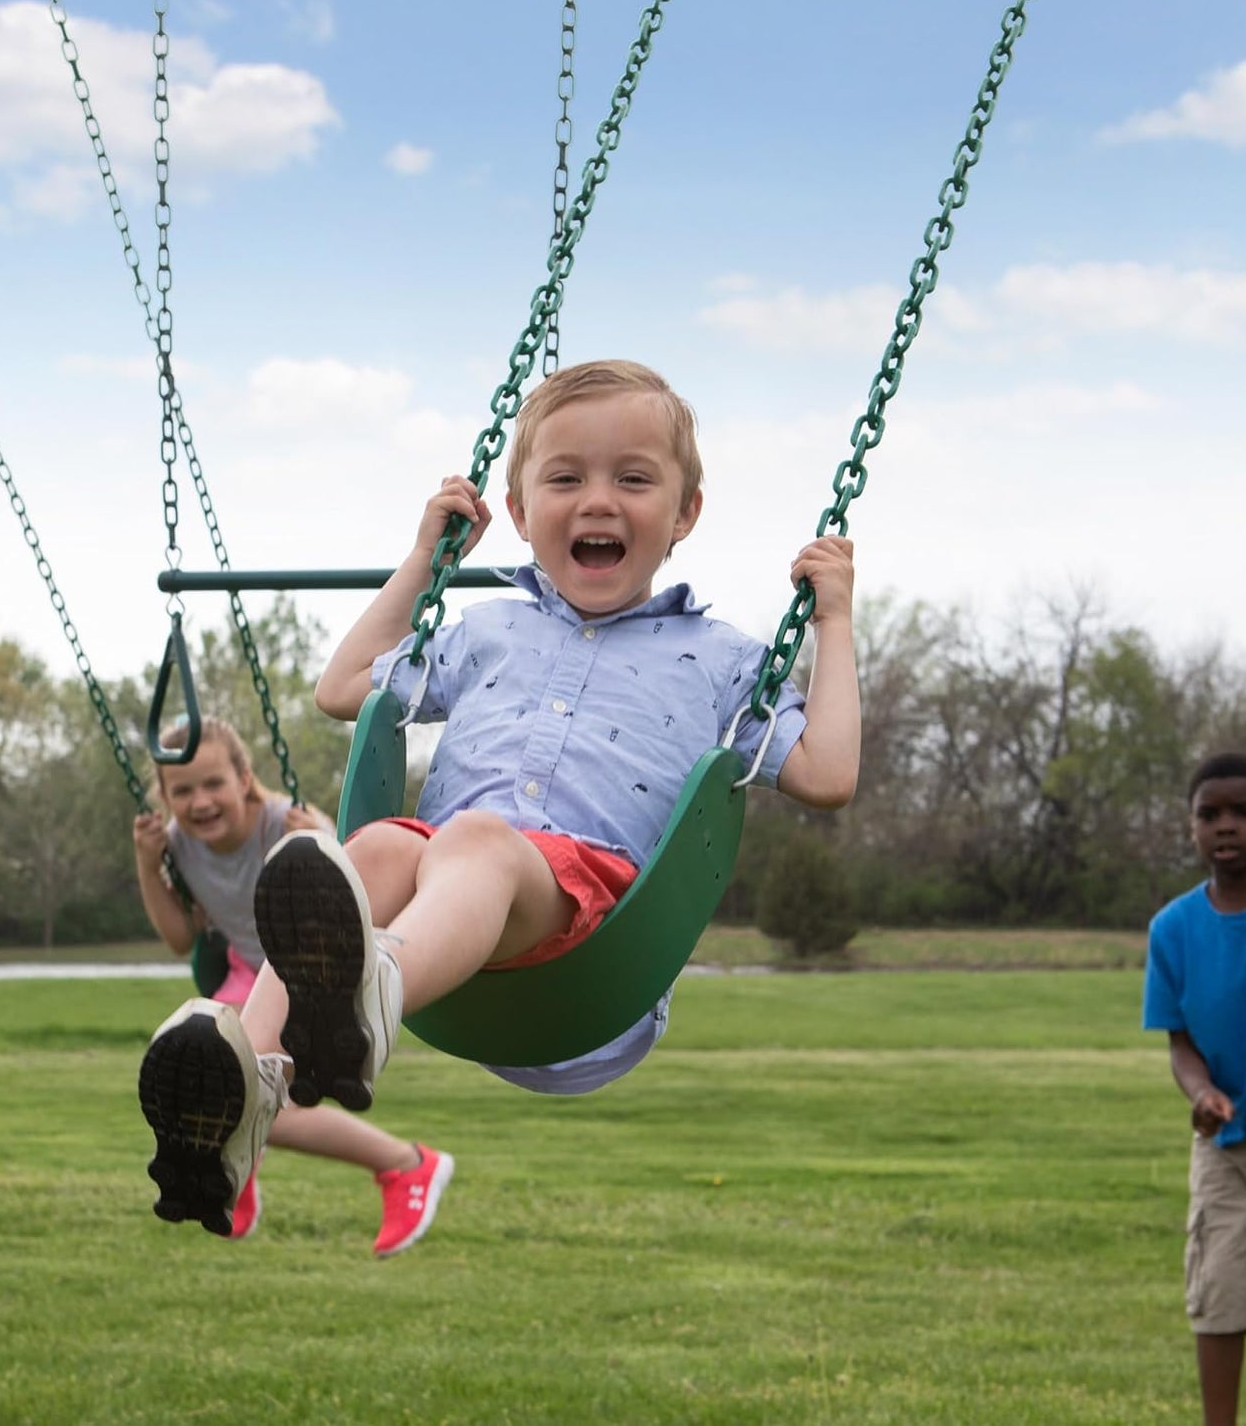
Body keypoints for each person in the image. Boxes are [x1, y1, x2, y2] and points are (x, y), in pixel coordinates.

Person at [137, 359, 861, 1222]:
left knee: (472, 838)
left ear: (683, 514)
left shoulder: (721, 659)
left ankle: (377, 988)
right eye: (565, 478)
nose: (597, 500)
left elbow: (826, 773)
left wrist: (834, 622)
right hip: (454, 907)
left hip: (592, 936)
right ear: (519, 514)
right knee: (373, 847)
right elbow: (344, 686)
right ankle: (244, 1089)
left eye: (633, 478)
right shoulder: (488, 629)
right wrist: (421, 562)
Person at [133, 715, 454, 1254]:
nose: (201, 802)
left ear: (244, 776)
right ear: (164, 798)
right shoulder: (176, 845)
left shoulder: (288, 824)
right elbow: (180, 940)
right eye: (182, 791)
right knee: (206, 1091)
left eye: (213, 783)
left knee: (242, 1104)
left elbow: (353, 895)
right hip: (244, 977)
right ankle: (243, 1167)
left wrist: (322, 840)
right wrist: (148, 866)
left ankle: (406, 1164)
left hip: (311, 974)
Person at [1142, 751, 1246, 1426]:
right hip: (1224, 1146)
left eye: (1241, 811)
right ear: (1190, 827)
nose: (1224, 825)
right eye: (1207, 813)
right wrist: (1200, 1092)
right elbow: (1179, 1041)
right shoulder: (1172, 928)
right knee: (1216, 1298)